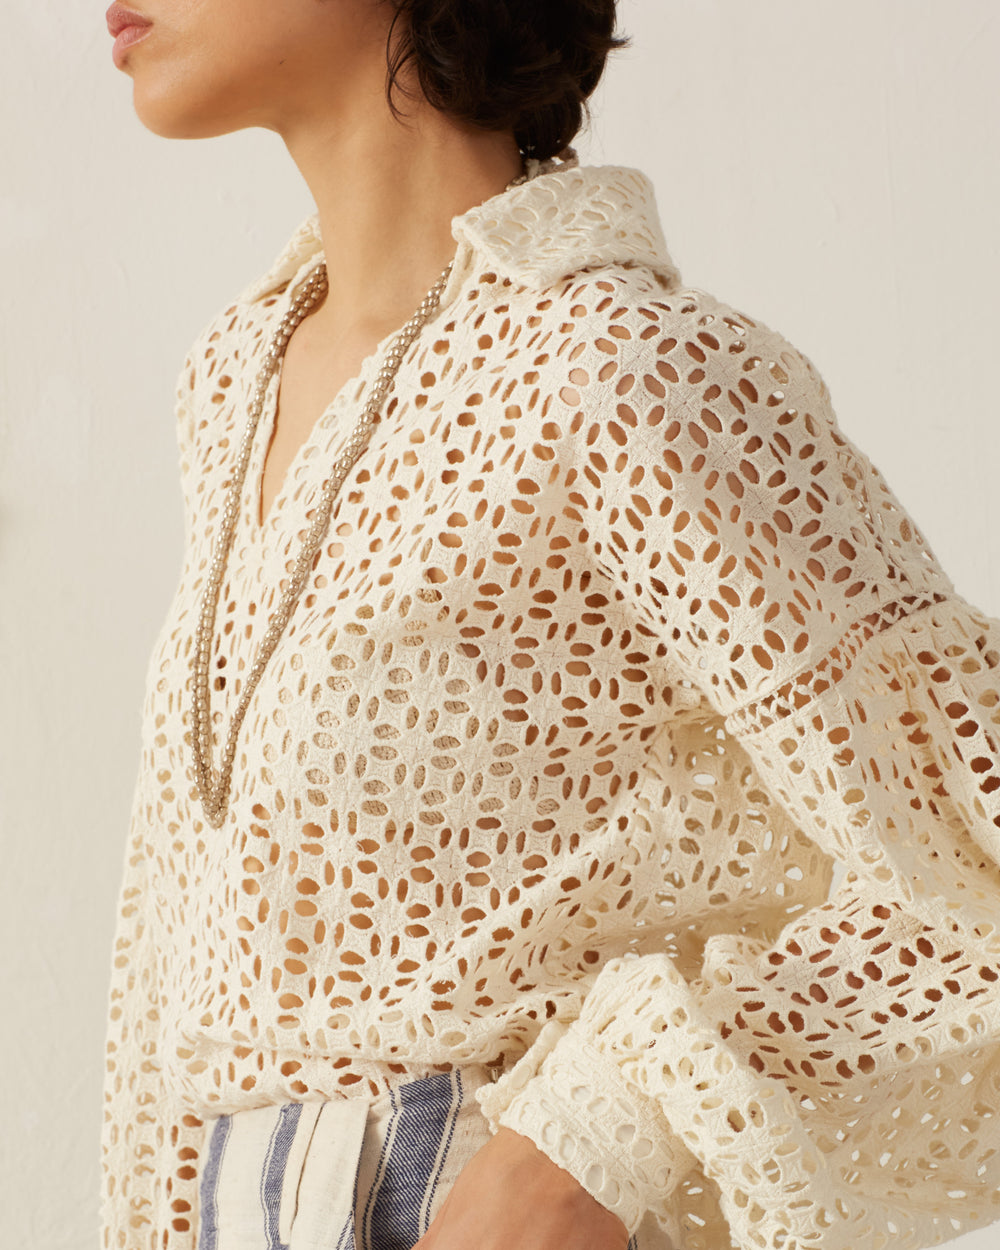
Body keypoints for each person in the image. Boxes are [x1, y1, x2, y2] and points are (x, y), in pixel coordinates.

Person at [98, 2, 1000, 1249]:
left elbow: (971, 862)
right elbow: (197, 938)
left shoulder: (626, 365)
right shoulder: (236, 376)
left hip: (459, 1187)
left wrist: (595, 1138)